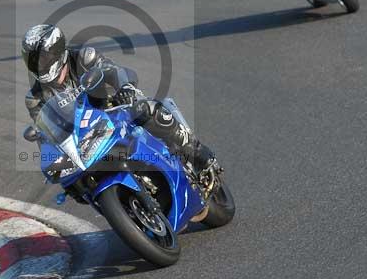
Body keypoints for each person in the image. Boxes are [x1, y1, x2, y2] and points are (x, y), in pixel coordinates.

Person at [21, 24, 219, 184]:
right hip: (84, 140)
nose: (37, 64)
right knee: (73, 183)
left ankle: (196, 151)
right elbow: (46, 135)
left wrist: (124, 88)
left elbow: (114, 71)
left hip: (113, 110)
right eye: (32, 59)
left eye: (42, 58)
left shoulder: (83, 57)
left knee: (146, 110)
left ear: (57, 51)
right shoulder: (35, 98)